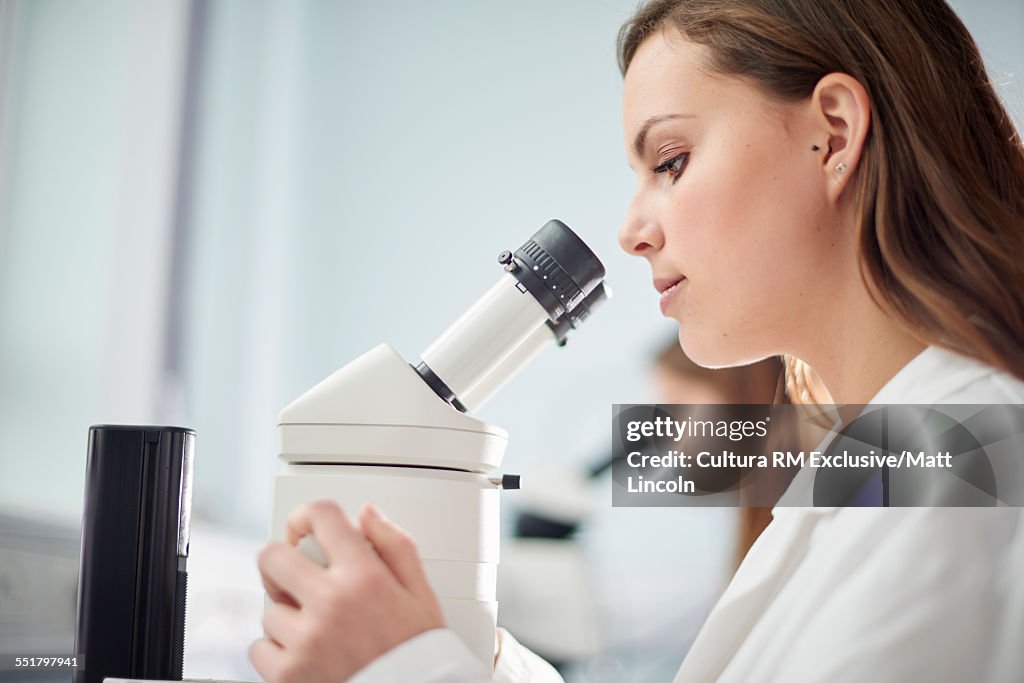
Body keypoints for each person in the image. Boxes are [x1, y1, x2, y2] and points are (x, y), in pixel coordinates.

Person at [249, 0, 1024, 681]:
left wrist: (402, 669)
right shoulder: (894, 454)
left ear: (834, 133)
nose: (630, 232)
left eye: (671, 162)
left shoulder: (970, 461)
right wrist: (469, 657)